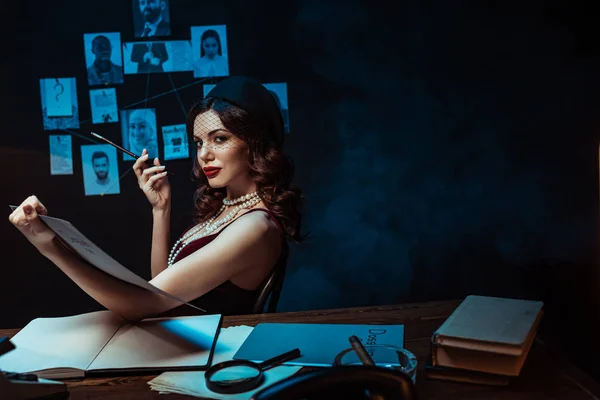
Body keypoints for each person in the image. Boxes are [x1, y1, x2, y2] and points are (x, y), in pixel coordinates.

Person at [9, 76, 303, 321]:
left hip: (206, 365)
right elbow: (163, 288)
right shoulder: (230, 209)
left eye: (220, 139)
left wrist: (51, 247)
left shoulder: (255, 227)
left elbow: (142, 304)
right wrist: (160, 209)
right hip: (173, 343)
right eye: (199, 142)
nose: (204, 154)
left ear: (256, 143)